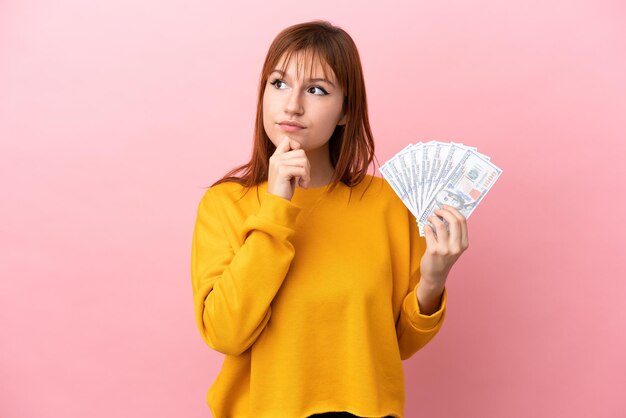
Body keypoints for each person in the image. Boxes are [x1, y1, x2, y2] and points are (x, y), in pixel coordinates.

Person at [190, 20, 469, 418]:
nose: (292, 105)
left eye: (317, 90)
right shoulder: (225, 204)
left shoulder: (386, 203)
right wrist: (276, 206)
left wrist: (433, 279)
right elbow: (226, 334)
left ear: (345, 112)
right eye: (279, 83)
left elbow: (398, 344)